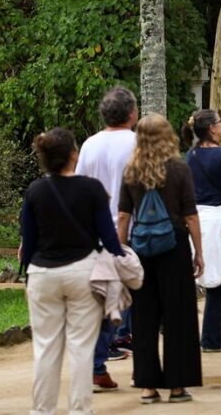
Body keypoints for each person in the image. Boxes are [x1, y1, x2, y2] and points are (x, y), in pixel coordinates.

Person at [20, 128, 132, 415]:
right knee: (82, 346)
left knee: (45, 347)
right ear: (74, 155)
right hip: (82, 270)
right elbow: (109, 237)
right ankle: (80, 409)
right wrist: (122, 258)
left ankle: (42, 409)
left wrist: (27, 274)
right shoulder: (92, 188)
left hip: (43, 273)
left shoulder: (35, 190)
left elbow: (28, 240)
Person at [117, 114, 204, 404]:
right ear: (168, 136)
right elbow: (190, 214)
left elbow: (124, 216)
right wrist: (199, 252)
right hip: (174, 245)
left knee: (143, 316)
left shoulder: (131, 171)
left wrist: (123, 251)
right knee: (178, 315)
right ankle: (177, 386)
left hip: (142, 248)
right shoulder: (179, 170)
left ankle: (147, 385)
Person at [74, 86, 138, 390]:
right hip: (131, 227)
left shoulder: (89, 145)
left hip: (94, 230)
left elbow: (81, 186)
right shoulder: (137, 142)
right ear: (132, 113)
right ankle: (108, 354)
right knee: (128, 295)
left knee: (102, 296)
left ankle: (99, 360)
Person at [181, 108, 221, 353]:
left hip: (196, 220)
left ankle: (197, 334)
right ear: (211, 128)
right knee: (218, 282)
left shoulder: (190, 156)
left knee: (201, 277)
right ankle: (211, 337)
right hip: (219, 218)